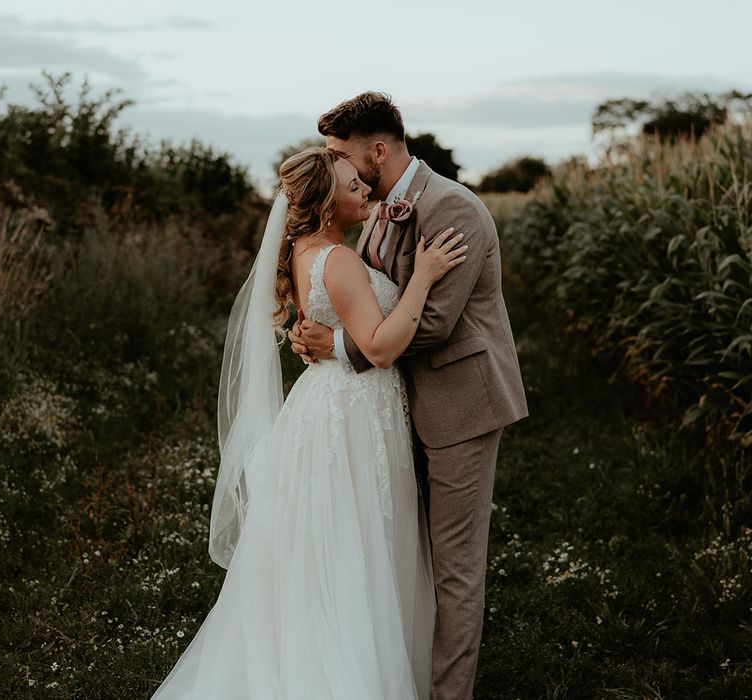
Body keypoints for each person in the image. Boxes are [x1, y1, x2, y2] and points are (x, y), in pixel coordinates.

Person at [149, 146, 467, 699]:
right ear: (324, 202)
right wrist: (425, 277)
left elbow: (333, 325)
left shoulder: (304, 249)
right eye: (352, 186)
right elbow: (382, 347)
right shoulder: (339, 260)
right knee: (359, 540)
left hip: (327, 405)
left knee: (330, 541)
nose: (365, 188)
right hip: (355, 412)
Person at [289, 92, 529, 700]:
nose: (333, 163)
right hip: (394, 406)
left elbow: (436, 323)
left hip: (460, 405)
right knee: (404, 554)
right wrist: (314, 328)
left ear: (376, 149)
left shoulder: (453, 210)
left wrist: (338, 345)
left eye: (341, 153)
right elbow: (362, 296)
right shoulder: (380, 210)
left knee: (453, 568)